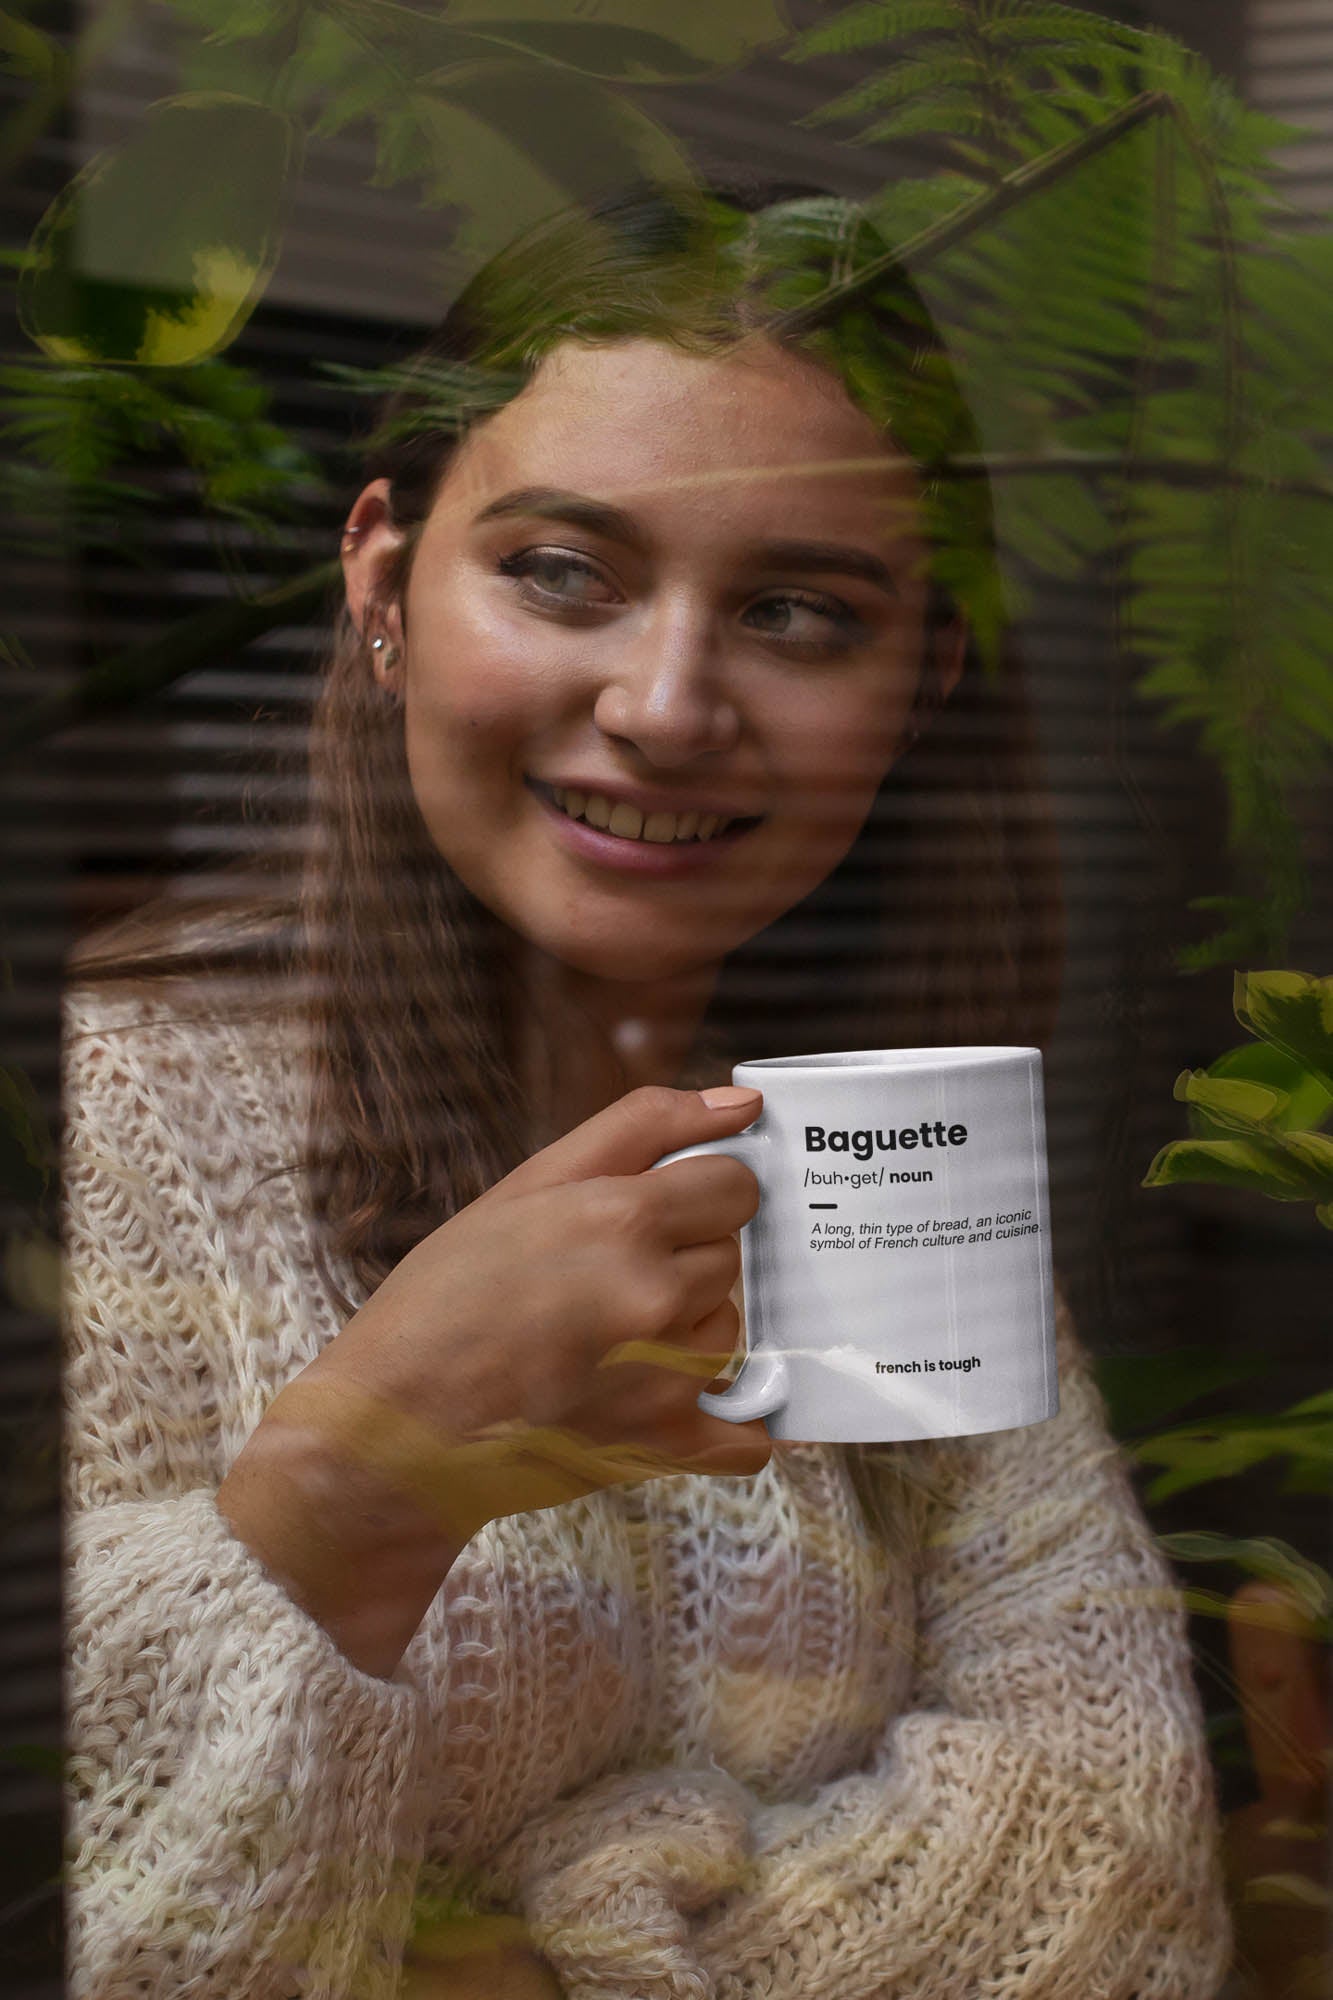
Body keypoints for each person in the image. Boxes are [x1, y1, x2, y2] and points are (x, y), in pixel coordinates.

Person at [63, 188, 1230, 1999]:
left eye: (794, 612)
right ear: (382, 587)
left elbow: (1119, 1872)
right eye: (561, 575)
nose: (670, 706)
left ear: (917, 679)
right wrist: (355, 1469)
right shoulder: (97, 1125)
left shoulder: (871, 1153)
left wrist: (561, 1945)